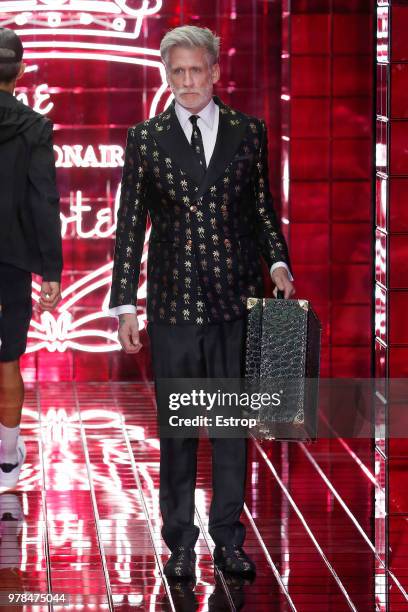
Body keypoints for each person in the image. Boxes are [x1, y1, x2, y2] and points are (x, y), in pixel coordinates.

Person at [109, 25, 295, 579]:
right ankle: (180, 543)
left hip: (236, 303)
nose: (187, 82)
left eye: (196, 70)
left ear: (216, 71)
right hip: (173, 308)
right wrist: (125, 306)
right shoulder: (146, 139)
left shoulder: (248, 133)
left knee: (233, 430)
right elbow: (128, 229)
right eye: (177, 72)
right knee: (179, 431)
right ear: (167, 76)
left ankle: (229, 539)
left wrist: (280, 263)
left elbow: (262, 209)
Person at [0, 28, 62, 490]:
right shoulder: (35, 127)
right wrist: (52, 272)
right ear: (20, 73)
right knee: (7, 362)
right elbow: (44, 201)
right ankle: (5, 461)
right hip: (13, 263)